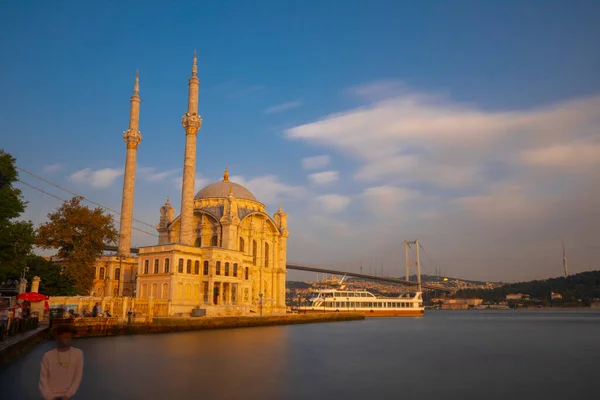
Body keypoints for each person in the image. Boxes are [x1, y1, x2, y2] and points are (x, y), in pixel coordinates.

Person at [39, 324, 84, 400]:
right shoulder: (47, 356)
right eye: (65, 337)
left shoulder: (78, 353)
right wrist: (49, 397)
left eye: (69, 337)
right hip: (50, 396)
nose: (68, 339)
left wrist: (67, 395)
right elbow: (43, 379)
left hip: (68, 396)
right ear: (57, 338)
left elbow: (78, 377)